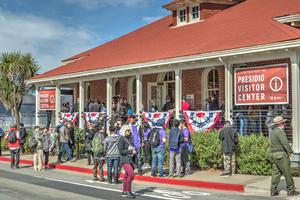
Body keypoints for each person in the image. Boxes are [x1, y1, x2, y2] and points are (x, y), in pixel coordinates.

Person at [270, 116, 299, 196]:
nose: (284, 124)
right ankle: (291, 190)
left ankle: (273, 190)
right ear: (279, 124)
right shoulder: (280, 132)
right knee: (287, 173)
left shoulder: (273, 131)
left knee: (276, 173)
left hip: (274, 154)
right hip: (281, 155)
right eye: (283, 122)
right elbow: (285, 143)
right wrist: (290, 152)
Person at [118, 125, 136, 199]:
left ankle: (124, 191)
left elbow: (132, 146)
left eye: (129, 130)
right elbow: (121, 150)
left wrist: (134, 150)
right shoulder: (121, 139)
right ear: (124, 131)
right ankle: (128, 191)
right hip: (125, 159)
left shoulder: (129, 137)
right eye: (127, 130)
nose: (129, 131)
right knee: (131, 174)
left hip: (130, 159)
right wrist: (130, 151)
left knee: (126, 176)